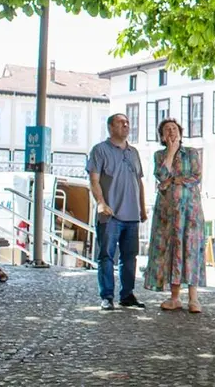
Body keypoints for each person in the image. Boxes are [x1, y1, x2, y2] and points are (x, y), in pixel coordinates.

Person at [144, 118, 206, 313]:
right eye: (166, 130)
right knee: (171, 250)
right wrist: (170, 154)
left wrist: (173, 180)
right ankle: (174, 297)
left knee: (191, 249)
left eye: (174, 129)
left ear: (180, 132)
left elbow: (196, 176)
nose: (171, 132)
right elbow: (161, 175)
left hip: (190, 211)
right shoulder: (159, 155)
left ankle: (194, 299)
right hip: (167, 213)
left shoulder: (192, 153)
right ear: (162, 137)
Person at [87, 113, 148, 311]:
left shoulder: (133, 152)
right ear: (111, 127)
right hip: (110, 214)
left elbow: (139, 181)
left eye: (127, 123)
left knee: (130, 257)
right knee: (106, 255)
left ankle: (127, 294)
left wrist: (142, 206)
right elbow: (94, 180)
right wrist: (101, 203)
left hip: (132, 214)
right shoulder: (99, 150)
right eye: (121, 123)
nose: (126, 125)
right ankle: (106, 296)